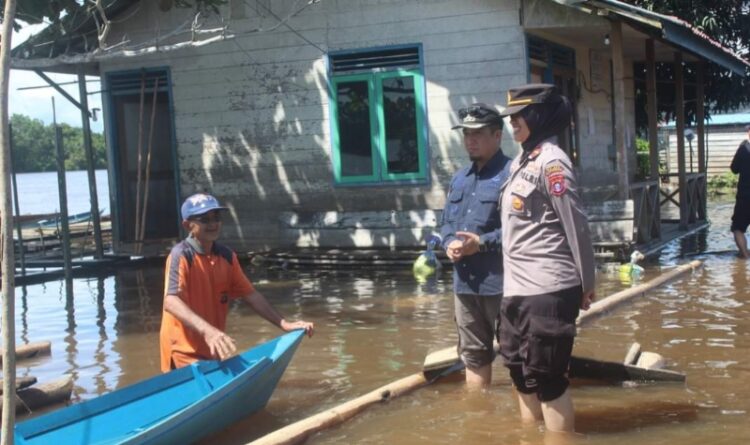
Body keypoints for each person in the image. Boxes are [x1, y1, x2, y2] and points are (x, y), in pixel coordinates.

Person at [497, 84, 596, 433]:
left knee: (549, 380)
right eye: (510, 117)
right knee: (519, 372)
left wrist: (587, 283)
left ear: (539, 116)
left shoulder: (553, 163)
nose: (514, 123)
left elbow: (576, 225)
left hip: (549, 288)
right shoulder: (519, 164)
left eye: (520, 115)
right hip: (516, 289)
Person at [159, 193, 314, 372]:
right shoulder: (181, 256)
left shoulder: (227, 257)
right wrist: (209, 332)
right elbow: (170, 301)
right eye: (205, 219)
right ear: (188, 225)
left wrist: (284, 324)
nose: (213, 224)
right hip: (181, 352)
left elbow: (251, 295)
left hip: (212, 348)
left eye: (216, 217)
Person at [440, 103, 512, 389]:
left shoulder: (512, 174)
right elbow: (446, 223)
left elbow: (521, 231)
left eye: (478, 133)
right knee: (473, 356)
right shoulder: (459, 178)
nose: (470, 140)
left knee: (517, 354)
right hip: (465, 285)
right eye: (466, 134)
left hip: (503, 284)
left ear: (497, 136)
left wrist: (480, 244)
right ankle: (480, 420)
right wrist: (448, 243)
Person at [730, 124, 750, 258]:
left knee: (738, 228)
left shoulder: (743, 149)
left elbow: (734, 169)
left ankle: (746, 257)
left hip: (745, 196)